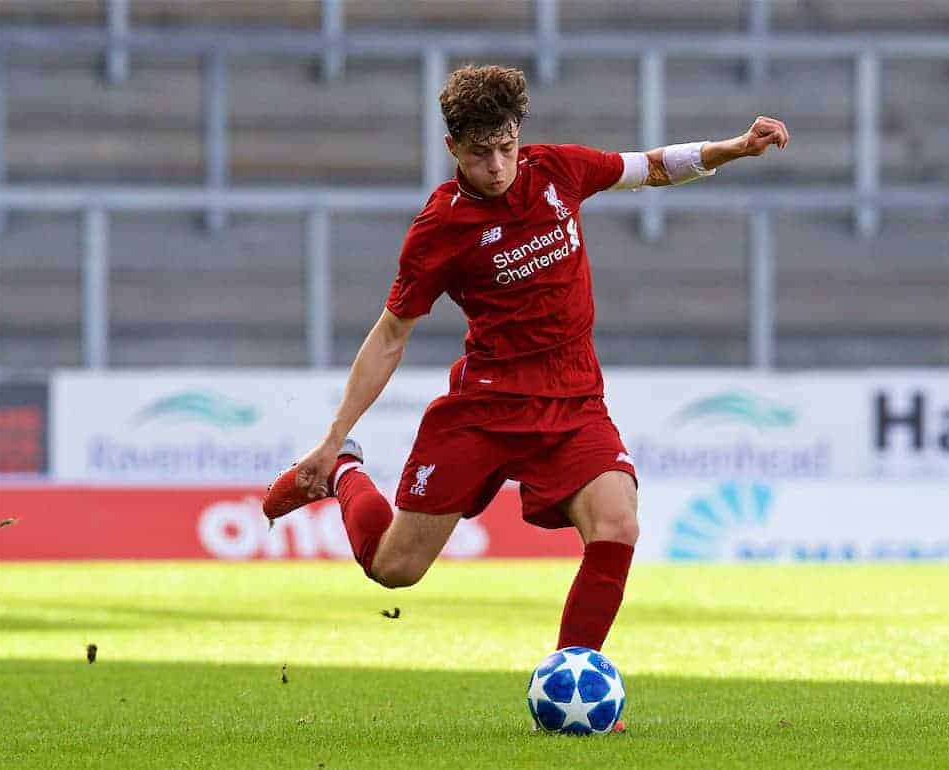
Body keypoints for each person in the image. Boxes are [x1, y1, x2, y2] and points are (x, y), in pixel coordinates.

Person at [264, 64, 788, 657]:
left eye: (506, 147)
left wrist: (736, 148)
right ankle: (345, 475)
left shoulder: (558, 169)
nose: (496, 167)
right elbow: (390, 335)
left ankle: (571, 679)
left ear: (520, 134)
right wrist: (336, 438)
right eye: (480, 153)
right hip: (486, 406)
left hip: (573, 398)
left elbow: (653, 166)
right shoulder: (439, 229)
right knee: (395, 570)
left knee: (617, 525)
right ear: (452, 147)